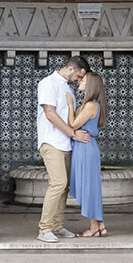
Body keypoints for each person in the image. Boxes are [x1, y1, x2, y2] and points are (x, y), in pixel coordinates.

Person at [36, 55, 91, 243]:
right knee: (58, 183)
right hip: (51, 141)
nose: (78, 81)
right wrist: (73, 134)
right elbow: (50, 114)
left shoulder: (68, 87)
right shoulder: (48, 83)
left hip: (66, 142)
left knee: (64, 186)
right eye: (78, 77)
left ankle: (57, 226)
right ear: (70, 69)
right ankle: (44, 229)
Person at [67, 71, 107, 237]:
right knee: (89, 186)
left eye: (84, 79)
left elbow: (73, 124)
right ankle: (100, 225)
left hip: (85, 148)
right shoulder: (89, 104)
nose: (80, 81)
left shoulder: (91, 105)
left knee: (88, 187)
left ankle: (94, 228)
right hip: (82, 146)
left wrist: (70, 105)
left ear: (91, 85)